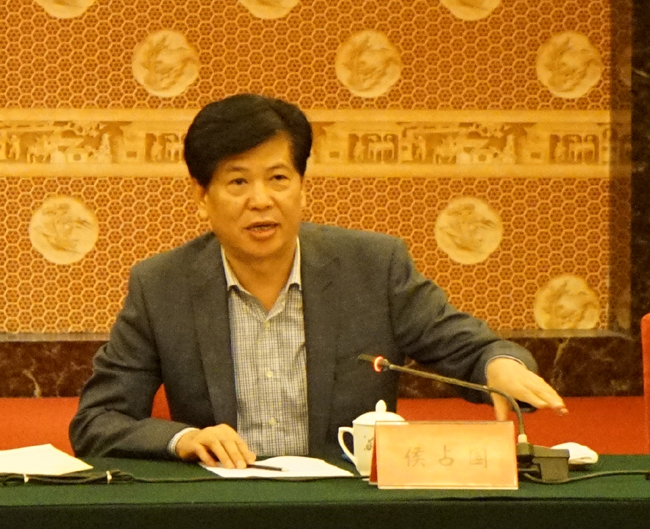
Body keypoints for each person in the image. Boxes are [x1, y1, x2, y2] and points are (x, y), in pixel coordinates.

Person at [69, 93, 567, 468]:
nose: (261, 200)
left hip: (347, 512)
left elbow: (474, 351)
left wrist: (499, 366)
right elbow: (97, 421)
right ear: (203, 196)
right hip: (224, 509)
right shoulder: (162, 286)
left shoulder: (374, 267)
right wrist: (185, 439)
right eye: (238, 181)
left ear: (302, 187)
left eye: (278, 178)